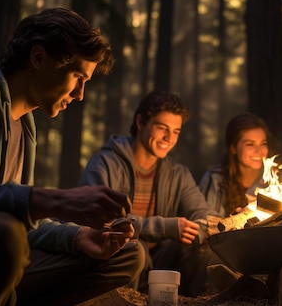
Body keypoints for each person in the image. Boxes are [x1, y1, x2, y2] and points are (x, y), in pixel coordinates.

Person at [0, 8, 145, 306]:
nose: (80, 95)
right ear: (38, 58)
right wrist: (49, 199)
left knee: (126, 255)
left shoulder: (24, 125)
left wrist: (77, 238)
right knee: (2, 232)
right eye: (78, 76)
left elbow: (18, 219)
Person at [78, 91, 218, 297]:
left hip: (160, 262)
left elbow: (205, 216)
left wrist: (201, 229)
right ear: (141, 122)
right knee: (135, 247)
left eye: (176, 131)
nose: (169, 138)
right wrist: (165, 227)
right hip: (114, 259)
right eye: (162, 128)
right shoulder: (105, 164)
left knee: (199, 246)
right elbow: (103, 225)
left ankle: (198, 301)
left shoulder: (178, 174)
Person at [199, 112, 282, 217]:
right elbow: (208, 228)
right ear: (233, 148)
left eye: (263, 143)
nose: (259, 151)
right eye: (250, 144)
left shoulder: (274, 182)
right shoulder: (215, 180)